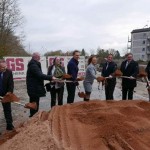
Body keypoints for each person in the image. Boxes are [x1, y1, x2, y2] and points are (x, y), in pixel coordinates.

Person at [26, 52, 55, 117]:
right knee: (34, 105)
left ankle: (33, 117)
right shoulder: (33, 65)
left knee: (35, 104)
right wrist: (51, 77)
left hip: (34, 88)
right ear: (36, 57)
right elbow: (40, 75)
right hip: (34, 89)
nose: (40, 58)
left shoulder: (34, 64)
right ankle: (33, 118)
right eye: (39, 56)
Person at [0, 59, 14, 130]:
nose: (5, 69)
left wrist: (9, 92)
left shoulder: (9, 72)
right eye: (3, 67)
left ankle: (9, 125)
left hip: (5, 93)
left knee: (7, 109)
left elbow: (11, 83)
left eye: (5, 67)